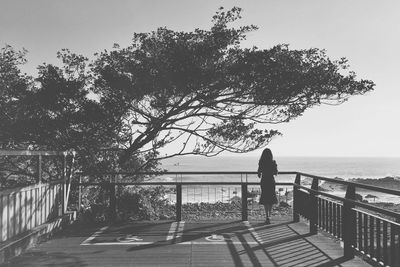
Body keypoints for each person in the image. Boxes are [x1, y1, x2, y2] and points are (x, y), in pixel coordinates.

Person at [257, 148, 278, 224]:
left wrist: (263, 172)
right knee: (271, 198)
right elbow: (276, 173)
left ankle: (267, 216)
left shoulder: (261, 162)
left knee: (265, 198)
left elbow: (259, 174)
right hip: (271, 181)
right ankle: (269, 215)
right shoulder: (273, 162)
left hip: (264, 181)